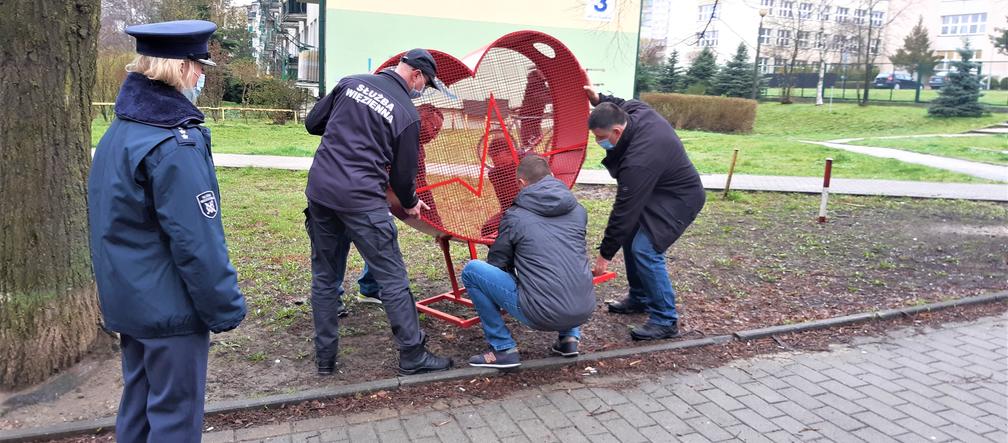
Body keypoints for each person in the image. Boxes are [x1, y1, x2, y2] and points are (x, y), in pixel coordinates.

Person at [87, 20, 246, 442]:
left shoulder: (120, 131)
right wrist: (225, 305)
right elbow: (198, 241)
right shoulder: (175, 144)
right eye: (198, 66)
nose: (202, 76)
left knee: (139, 403)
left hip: (130, 298)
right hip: (170, 307)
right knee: (175, 415)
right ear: (180, 68)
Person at [303, 48, 452, 376]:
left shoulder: (350, 83)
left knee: (325, 278)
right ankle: (413, 354)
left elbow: (313, 123)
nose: (421, 92)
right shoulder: (406, 114)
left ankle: (325, 360)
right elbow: (402, 176)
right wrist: (411, 202)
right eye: (424, 85)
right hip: (361, 201)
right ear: (415, 75)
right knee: (392, 277)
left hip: (322, 193)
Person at [584, 85, 706, 341]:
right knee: (631, 237)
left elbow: (624, 210)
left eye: (601, 137)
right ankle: (639, 297)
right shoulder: (635, 111)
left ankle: (665, 320)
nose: (599, 143)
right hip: (659, 189)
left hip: (680, 198)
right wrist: (599, 99)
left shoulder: (639, 159)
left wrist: (605, 255)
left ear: (617, 131)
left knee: (646, 249)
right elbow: (620, 101)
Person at [302, 104, 445, 313]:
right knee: (337, 243)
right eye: (431, 126)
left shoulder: (416, 148)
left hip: (374, 201)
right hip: (342, 192)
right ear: (417, 119)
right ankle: (330, 299)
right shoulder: (386, 130)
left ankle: (370, 289)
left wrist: (437, 226)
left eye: (438, 130)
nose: (434, 134)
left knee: (383, 240)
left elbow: (419, 186)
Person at [461, 155, 595, 368]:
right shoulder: (578, 210)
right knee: (563, 261)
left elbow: (498, 262)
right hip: (584, 308)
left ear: (521, 183)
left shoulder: (515, 216)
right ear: (551, 176)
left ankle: (503, 349)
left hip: (541, 314)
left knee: (473, 270)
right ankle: (569, 339)